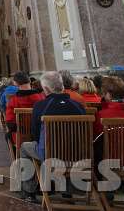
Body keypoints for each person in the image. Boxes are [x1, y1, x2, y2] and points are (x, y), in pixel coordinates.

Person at [17, 72, 85, 202]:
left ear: (46, 89)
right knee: (68, 147)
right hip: (76, 154)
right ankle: (67, 192)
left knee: (25, 147)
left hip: (49, 154)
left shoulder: (40, 106)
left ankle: (29, 191)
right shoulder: (78, 106)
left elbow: (36, 133)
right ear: (62, 86)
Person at [4, 72, 45, 151]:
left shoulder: (13, 101)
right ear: (29, 81)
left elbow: (10, 124)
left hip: (21, 137)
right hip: (40, 136)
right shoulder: (41, 98)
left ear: (15, 83)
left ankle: (18, 158)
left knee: (8, 135)